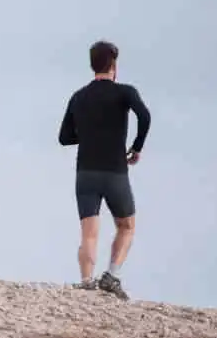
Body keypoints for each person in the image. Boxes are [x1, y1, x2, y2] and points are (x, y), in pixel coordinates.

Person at [57, 40, 151, 300]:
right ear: (113, 65)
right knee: (127, 226)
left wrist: (89, 135)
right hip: (114, 171)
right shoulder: (125, 92)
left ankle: (86, 281)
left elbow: (64, 137)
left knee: (89, 231)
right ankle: (111, 275)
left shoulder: (79, 96)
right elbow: (145, 116)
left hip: (85, 171)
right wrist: (137, 146)